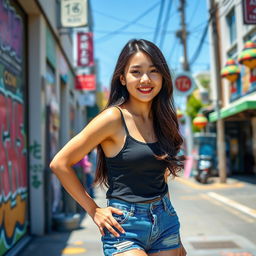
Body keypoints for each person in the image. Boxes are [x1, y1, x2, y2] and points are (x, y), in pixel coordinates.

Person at [50, 39, 186, 256]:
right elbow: (60, 163)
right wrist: (93, 210)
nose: (145, 79)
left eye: (153, 71)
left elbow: (159, 177)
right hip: (124, 226)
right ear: (122, 78)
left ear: (162, 77)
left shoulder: (164, 120)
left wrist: (174, 235)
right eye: (136, 72)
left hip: (165, 220)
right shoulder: (113, 118)